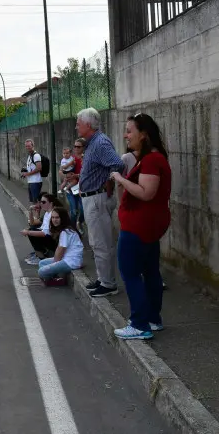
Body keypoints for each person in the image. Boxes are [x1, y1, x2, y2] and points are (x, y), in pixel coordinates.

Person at [110, 113, 172, 340]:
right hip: (147, 225)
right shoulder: (152, 158)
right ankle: (153, 319)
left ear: (143, 135)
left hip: (139, 226)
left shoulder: (151, 160)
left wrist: (120, 179)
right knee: (150, 271)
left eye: (129, 131)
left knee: (130, 272)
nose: (126, 135)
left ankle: (139, 324)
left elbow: (147, 193)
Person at [76, 108, 125, 298]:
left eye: (79, 123)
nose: (76, 126)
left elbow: (117, 164)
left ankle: (108, 283)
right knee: (96, 242)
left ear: (88, 125)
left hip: (97, 198)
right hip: (92, 197)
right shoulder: (93, 143)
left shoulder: (100, 143)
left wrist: (108, 182)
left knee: (101, 242)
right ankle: (102, 278)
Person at [38, 207, 84, 286]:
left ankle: (59, 281)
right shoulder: (64, 230)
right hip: (66, 258)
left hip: (71, 261)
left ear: (63, 218)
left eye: (57, 217)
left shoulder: (66, 231)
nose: (54, 220)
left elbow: (61, 249)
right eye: (52, 217)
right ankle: (55, 278)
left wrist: (54, 264)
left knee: (41, 272)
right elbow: (59, 249)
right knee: (42, 263)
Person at [20, 193, 62, 265]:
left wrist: (28, 232)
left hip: (56, 241)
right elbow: (33, 223)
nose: (41, 204)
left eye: (43, 202)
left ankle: (41, 257)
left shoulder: (53, 214)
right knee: (32, 229)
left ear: (51, 203)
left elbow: (45, 233)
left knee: (32, 232)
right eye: (40, 202)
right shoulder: (47, 213)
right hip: (51, 238)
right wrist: (31, 211)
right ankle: (40, 254)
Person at [20, 139, 43, 203]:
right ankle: (34, 213)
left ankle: (37, 213)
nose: (27, 147)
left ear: (33, 146)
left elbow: (39, 168)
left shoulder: (36, 155)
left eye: (29, 146)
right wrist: (25, 172)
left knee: (36, 202)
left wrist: (27, 174)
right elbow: (31, 168)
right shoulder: (30, 156)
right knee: (33, 201)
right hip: (31, 181)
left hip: (35, 181)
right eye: (26, 146)